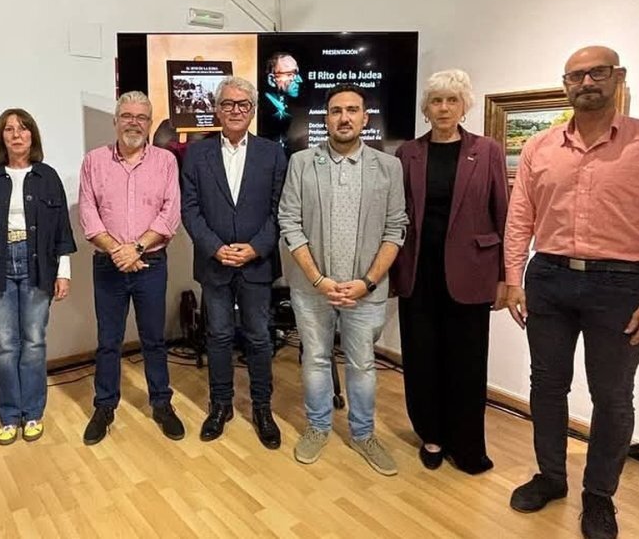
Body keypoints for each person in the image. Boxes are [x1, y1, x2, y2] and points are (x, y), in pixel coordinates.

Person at [505, 46, 639, 539]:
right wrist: (512, 278)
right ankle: (550, 477)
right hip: (550, 278)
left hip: (622, 284)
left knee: (613, 397)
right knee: (546, 385)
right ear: (566, 85)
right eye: (576, 75)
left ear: (617, 77)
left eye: (597, 72)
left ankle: (599, 496)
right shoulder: (540, 147)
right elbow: (521, 218)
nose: (587, 82)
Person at [278, 84, 407, 473]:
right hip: (312, 287)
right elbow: (290, 221)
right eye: (336, 111)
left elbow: (395, 228)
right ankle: (317, 427)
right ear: (326, 119)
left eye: (353, 110)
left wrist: (366, 282)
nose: (345, 117)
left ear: (365, 118)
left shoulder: (389, 168)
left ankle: (364, 434)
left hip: (365, 291)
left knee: (363, 364)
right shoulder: (301, 163)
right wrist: (319, 280)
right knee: (315, 359)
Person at [390, 69, 508, 474]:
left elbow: (503, 213)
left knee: (468, 362)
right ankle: (432, 436)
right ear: (427, 108)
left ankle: (468, 444)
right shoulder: (408, 153)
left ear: (464, 106)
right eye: (436, 101)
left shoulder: (487, 150)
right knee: (422, 359)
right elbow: (397, 216)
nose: (443, 108)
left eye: (451, 101)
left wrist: (508, 278)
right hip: (418, 274)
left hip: (472, 273)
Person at [180, 76, 287, 448]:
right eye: (228, 104)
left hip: (257, 263)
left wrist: (256, 247)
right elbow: (189, 209)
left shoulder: (273, 153)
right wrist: (214, 247)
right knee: (219, 336)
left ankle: (261, 408)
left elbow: (280, 211)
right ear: (216, 109)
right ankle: (220, 404)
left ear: (253, 110)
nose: (235, 110)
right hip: (215, 263)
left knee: (259, 338)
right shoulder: (197, 153)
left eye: (243, 105)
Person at [78, 91, 184, 445]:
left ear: (150, 124)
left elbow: (170, 213)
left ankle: (161, 403)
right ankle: (105, 406)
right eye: (127, 115)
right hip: (108, 265)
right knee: (108, 341)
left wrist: (136, 248)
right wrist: (118, 251)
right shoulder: (94, 161)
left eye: (141, 117)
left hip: (151, 263)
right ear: (116, 120)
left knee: (154, 339)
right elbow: (88, 214)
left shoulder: (166, 162)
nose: (134, 122)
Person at [0, 109, 76, 446]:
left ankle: (33, 413)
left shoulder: (48, 176)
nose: (16, 134)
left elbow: (61, 230)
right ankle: (9, 416)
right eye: (9, 129)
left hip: (38, 265)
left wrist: (63, 272)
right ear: (1, 137)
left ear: (33, 136)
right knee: (6, 345)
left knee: (33, 342)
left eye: (23, 128)